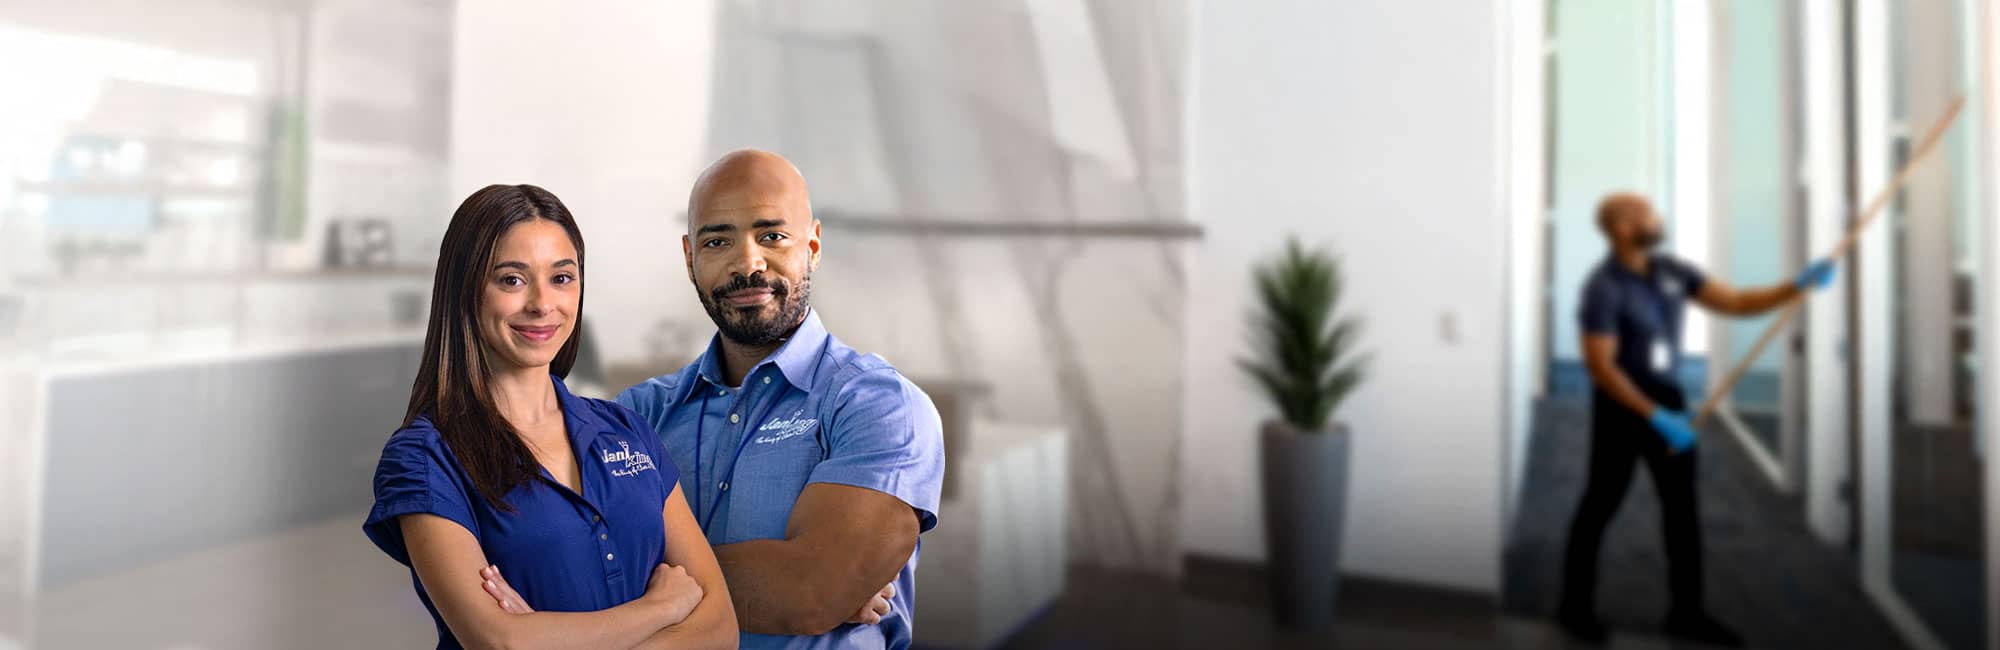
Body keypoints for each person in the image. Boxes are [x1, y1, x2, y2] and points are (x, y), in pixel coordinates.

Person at [483, 150, 946, 648]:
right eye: (718, 240)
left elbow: (811, 590)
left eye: (772, 236)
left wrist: (813, 583)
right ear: (690, 258)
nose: (747, 263)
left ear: (812, 244)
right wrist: (789, 584)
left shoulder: (879, 405)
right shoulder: (636, 416)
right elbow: (541, 564)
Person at [362, 184, 738, 649]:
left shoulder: (626, 431)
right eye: (512, 280)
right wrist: (660, 609)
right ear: (465, 291)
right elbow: (502, 642)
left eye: (561, 278)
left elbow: (720, 627)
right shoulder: (424, 459)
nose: (543, 304)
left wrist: (549, 637)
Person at [1555, 192, 1838, 646]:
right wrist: (1655, 417)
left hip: (1668, 397)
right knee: (1600, 505)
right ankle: (1573, 606)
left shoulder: (1671, 270)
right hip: (1623, 409)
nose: (1657, 216)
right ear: (1623, 228)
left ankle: (1686, 614)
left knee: (1681, 512)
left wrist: (1796, 286)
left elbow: (1738, 301)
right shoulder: (1602, 288)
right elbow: (1601, 368)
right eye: (1647, 212)